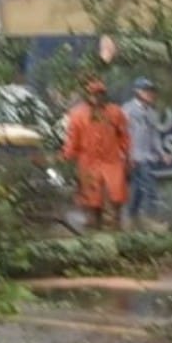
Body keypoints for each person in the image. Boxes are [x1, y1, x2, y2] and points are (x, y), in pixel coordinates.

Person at [62, 79, 130, 231]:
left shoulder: (115, 112)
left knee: (117, 194)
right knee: (92, 198)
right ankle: (94, 226)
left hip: (111, 158)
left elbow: (124, 136)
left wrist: (127, 156)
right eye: (93, 94)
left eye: (100, 94)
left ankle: (116, 225)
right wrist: (66, 157)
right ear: (87, 96)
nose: (97, 97)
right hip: (88, 160)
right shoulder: (77, 114)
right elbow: (72, 140)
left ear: (105, 95)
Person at [122, 77, 171, 231]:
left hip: (146, 156)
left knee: (138, 190)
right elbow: (121, 135)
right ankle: (152, 221)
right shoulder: (127, 110)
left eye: (152, 91)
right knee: (150, 188)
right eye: (147, 91)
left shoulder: (152, 113)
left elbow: (154, 135)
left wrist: (163, 153)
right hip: (133, 156)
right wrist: (125, 155)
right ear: (138, 92)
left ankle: (132, 218)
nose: (151, 94)